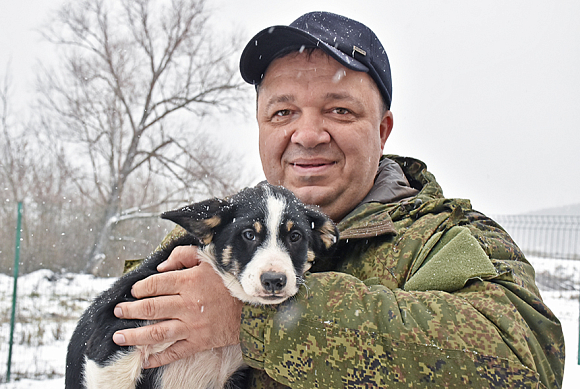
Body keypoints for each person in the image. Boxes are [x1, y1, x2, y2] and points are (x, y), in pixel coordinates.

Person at [111, 11, 565, 388]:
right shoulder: (212, 238)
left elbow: (519, 361)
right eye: (283, 112)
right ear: (261, 126)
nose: (307, 135)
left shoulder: (444, 239)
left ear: (382, 130)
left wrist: (250, 317)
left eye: (339, 110)